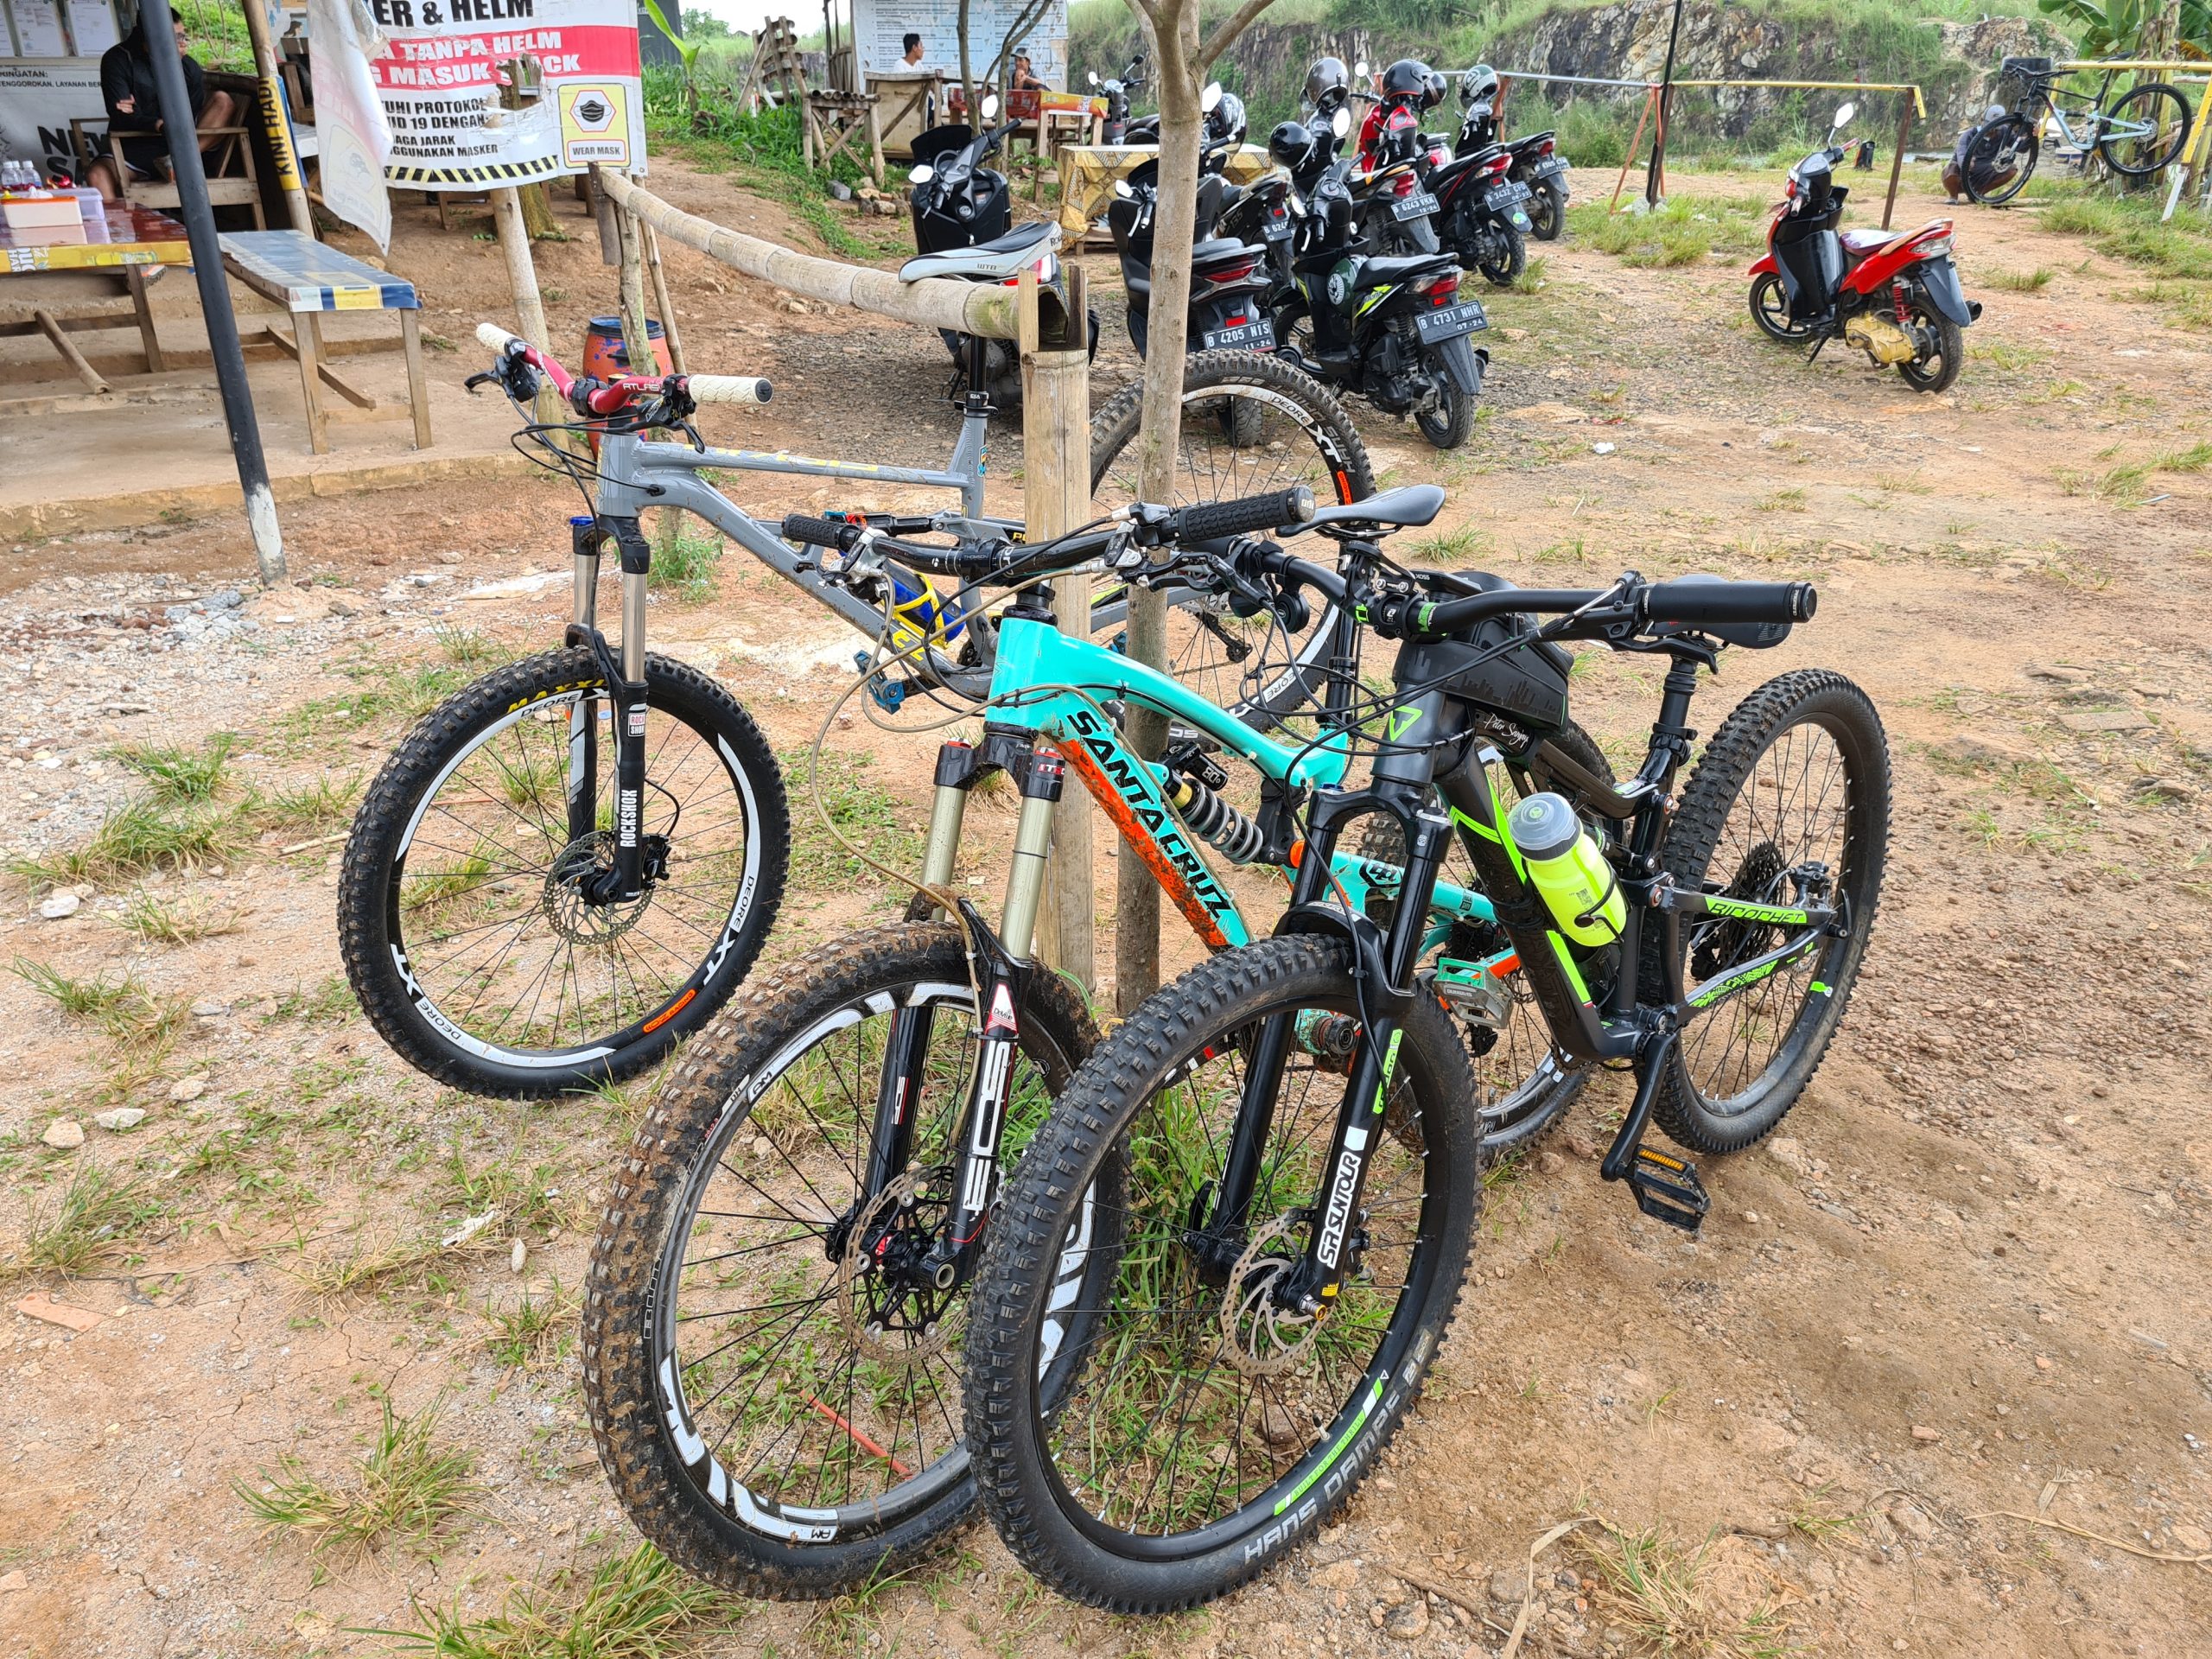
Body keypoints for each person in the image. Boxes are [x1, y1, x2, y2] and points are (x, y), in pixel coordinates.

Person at [87, 15, 237, 203]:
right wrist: (156, 123)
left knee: (223, 101)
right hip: (137, 144)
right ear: (152, 37)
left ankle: (177, 162)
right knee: (97, 175)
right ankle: (118, 231)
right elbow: (120, 115)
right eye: (177, 38)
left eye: (184, 37)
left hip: (184, 148)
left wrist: (142, 113)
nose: (184, 44)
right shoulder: (118, 59)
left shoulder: (188, 67)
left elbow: (190, 114)